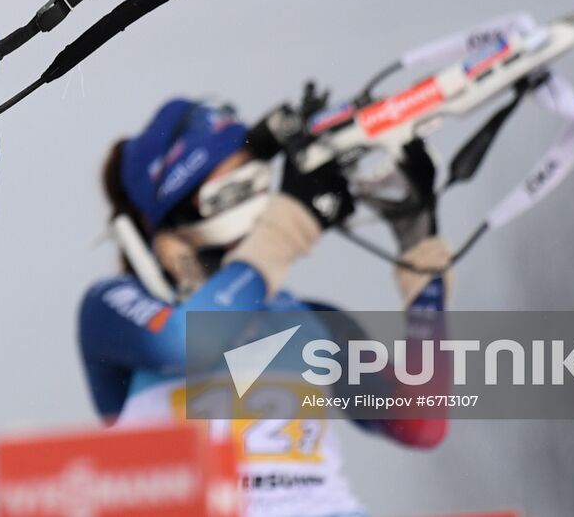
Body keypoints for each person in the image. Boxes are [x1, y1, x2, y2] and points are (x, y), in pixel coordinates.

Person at [78, 99, 453, 517]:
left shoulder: (311, 320)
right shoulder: (112, 304)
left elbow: (421, 422)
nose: (260, 203)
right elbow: (181, 342)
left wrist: (422, 253)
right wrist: (287, 229)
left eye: (260, 184)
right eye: (237, 187)